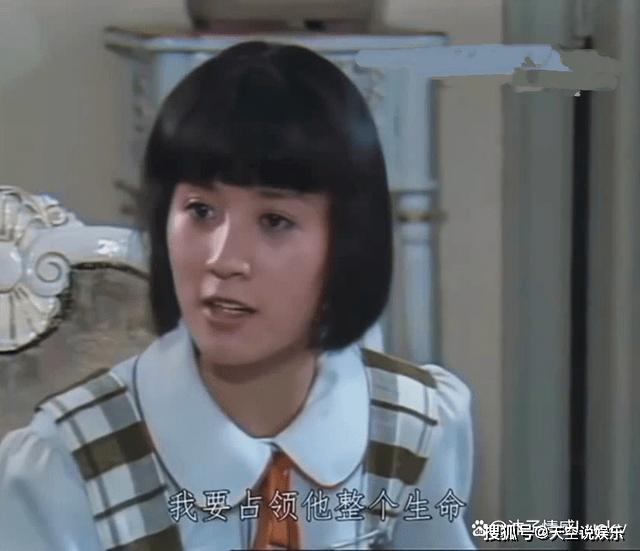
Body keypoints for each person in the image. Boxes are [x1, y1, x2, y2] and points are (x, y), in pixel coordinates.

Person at [0, 41, 475, 550]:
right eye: (200, 211)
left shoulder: (416, 429)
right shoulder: (65, 464)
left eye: (274, 220)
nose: (224, 259)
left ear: (348, 241)